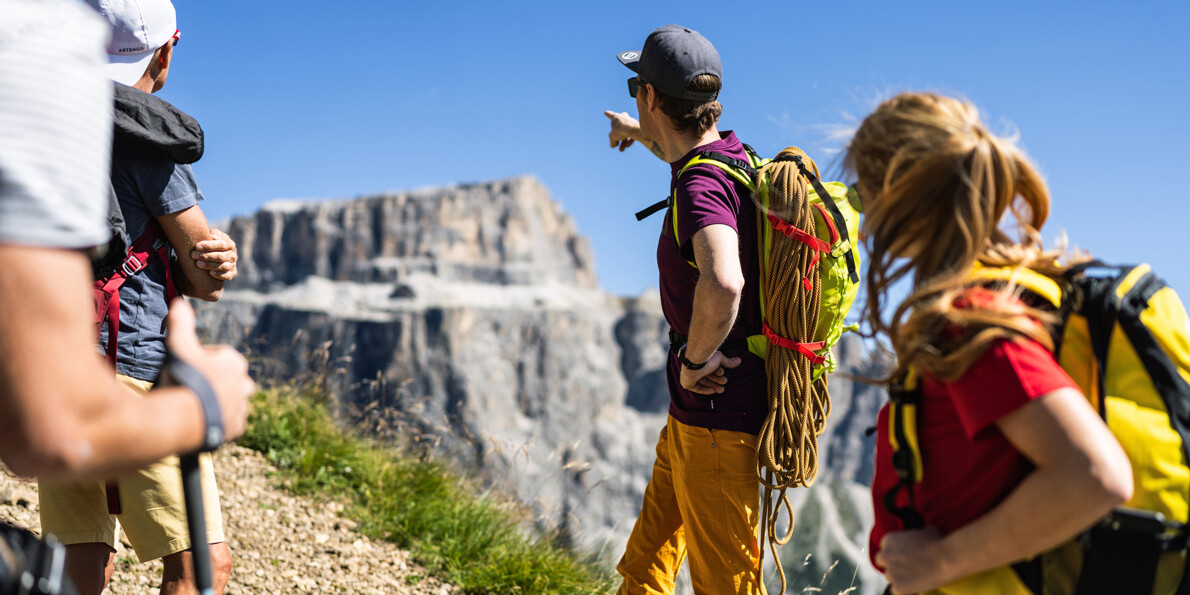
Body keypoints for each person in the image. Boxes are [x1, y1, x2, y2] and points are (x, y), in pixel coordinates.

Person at [846, 92, 1134, 594]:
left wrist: (938, 563)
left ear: (899, 196)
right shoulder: (1007, 298)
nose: (865, 223)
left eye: (862, 196)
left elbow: (1095, 475)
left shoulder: (971, 323)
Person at [36, 1, 244, 593]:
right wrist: (217, 261)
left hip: (57, 371)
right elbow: (205, 279)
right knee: (199, 563)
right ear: (166, 52)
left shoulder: (37, 135)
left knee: (80, 559)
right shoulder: (150, 142)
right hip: (135, 374)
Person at [605, 25, 767, 594]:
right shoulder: (731, 159)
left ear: (651, 96)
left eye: (636, 90)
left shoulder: (700, 188)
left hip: (717, 420)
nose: (635, 97)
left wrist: (695, 361)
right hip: (693, 419)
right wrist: (636, 130)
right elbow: (683, 152)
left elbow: (724, 281)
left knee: (726, 587)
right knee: (645, 567)